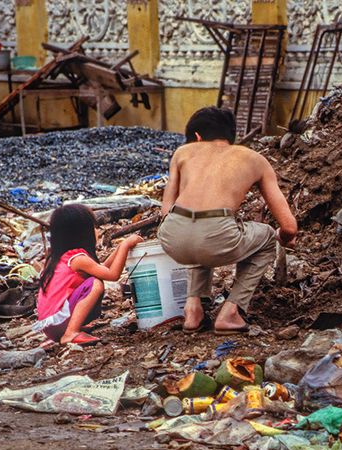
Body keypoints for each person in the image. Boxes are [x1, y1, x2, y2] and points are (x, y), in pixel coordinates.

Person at [158, 106, 298, 334]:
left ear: (197, 137)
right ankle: (231, 312)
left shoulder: (182, 153)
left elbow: (166, 211)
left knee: (201, 232)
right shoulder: (254, 159)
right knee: (265, 237)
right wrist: (283, 239)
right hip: (215, 235)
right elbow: (289, 226)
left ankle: (193, 309)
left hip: (172, 235)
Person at [34, 203, 143, 345]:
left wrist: (118, 250)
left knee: (94, 280)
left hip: (51, 327)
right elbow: (113, 275)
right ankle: (70, 333)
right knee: (95, 284)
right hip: (57, 323)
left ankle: (71, 327)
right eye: (95, 227)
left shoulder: (62, 258)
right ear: (83, 233)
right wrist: (125, 245)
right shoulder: (78, 259)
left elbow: (101, 269)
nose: (97, 231)